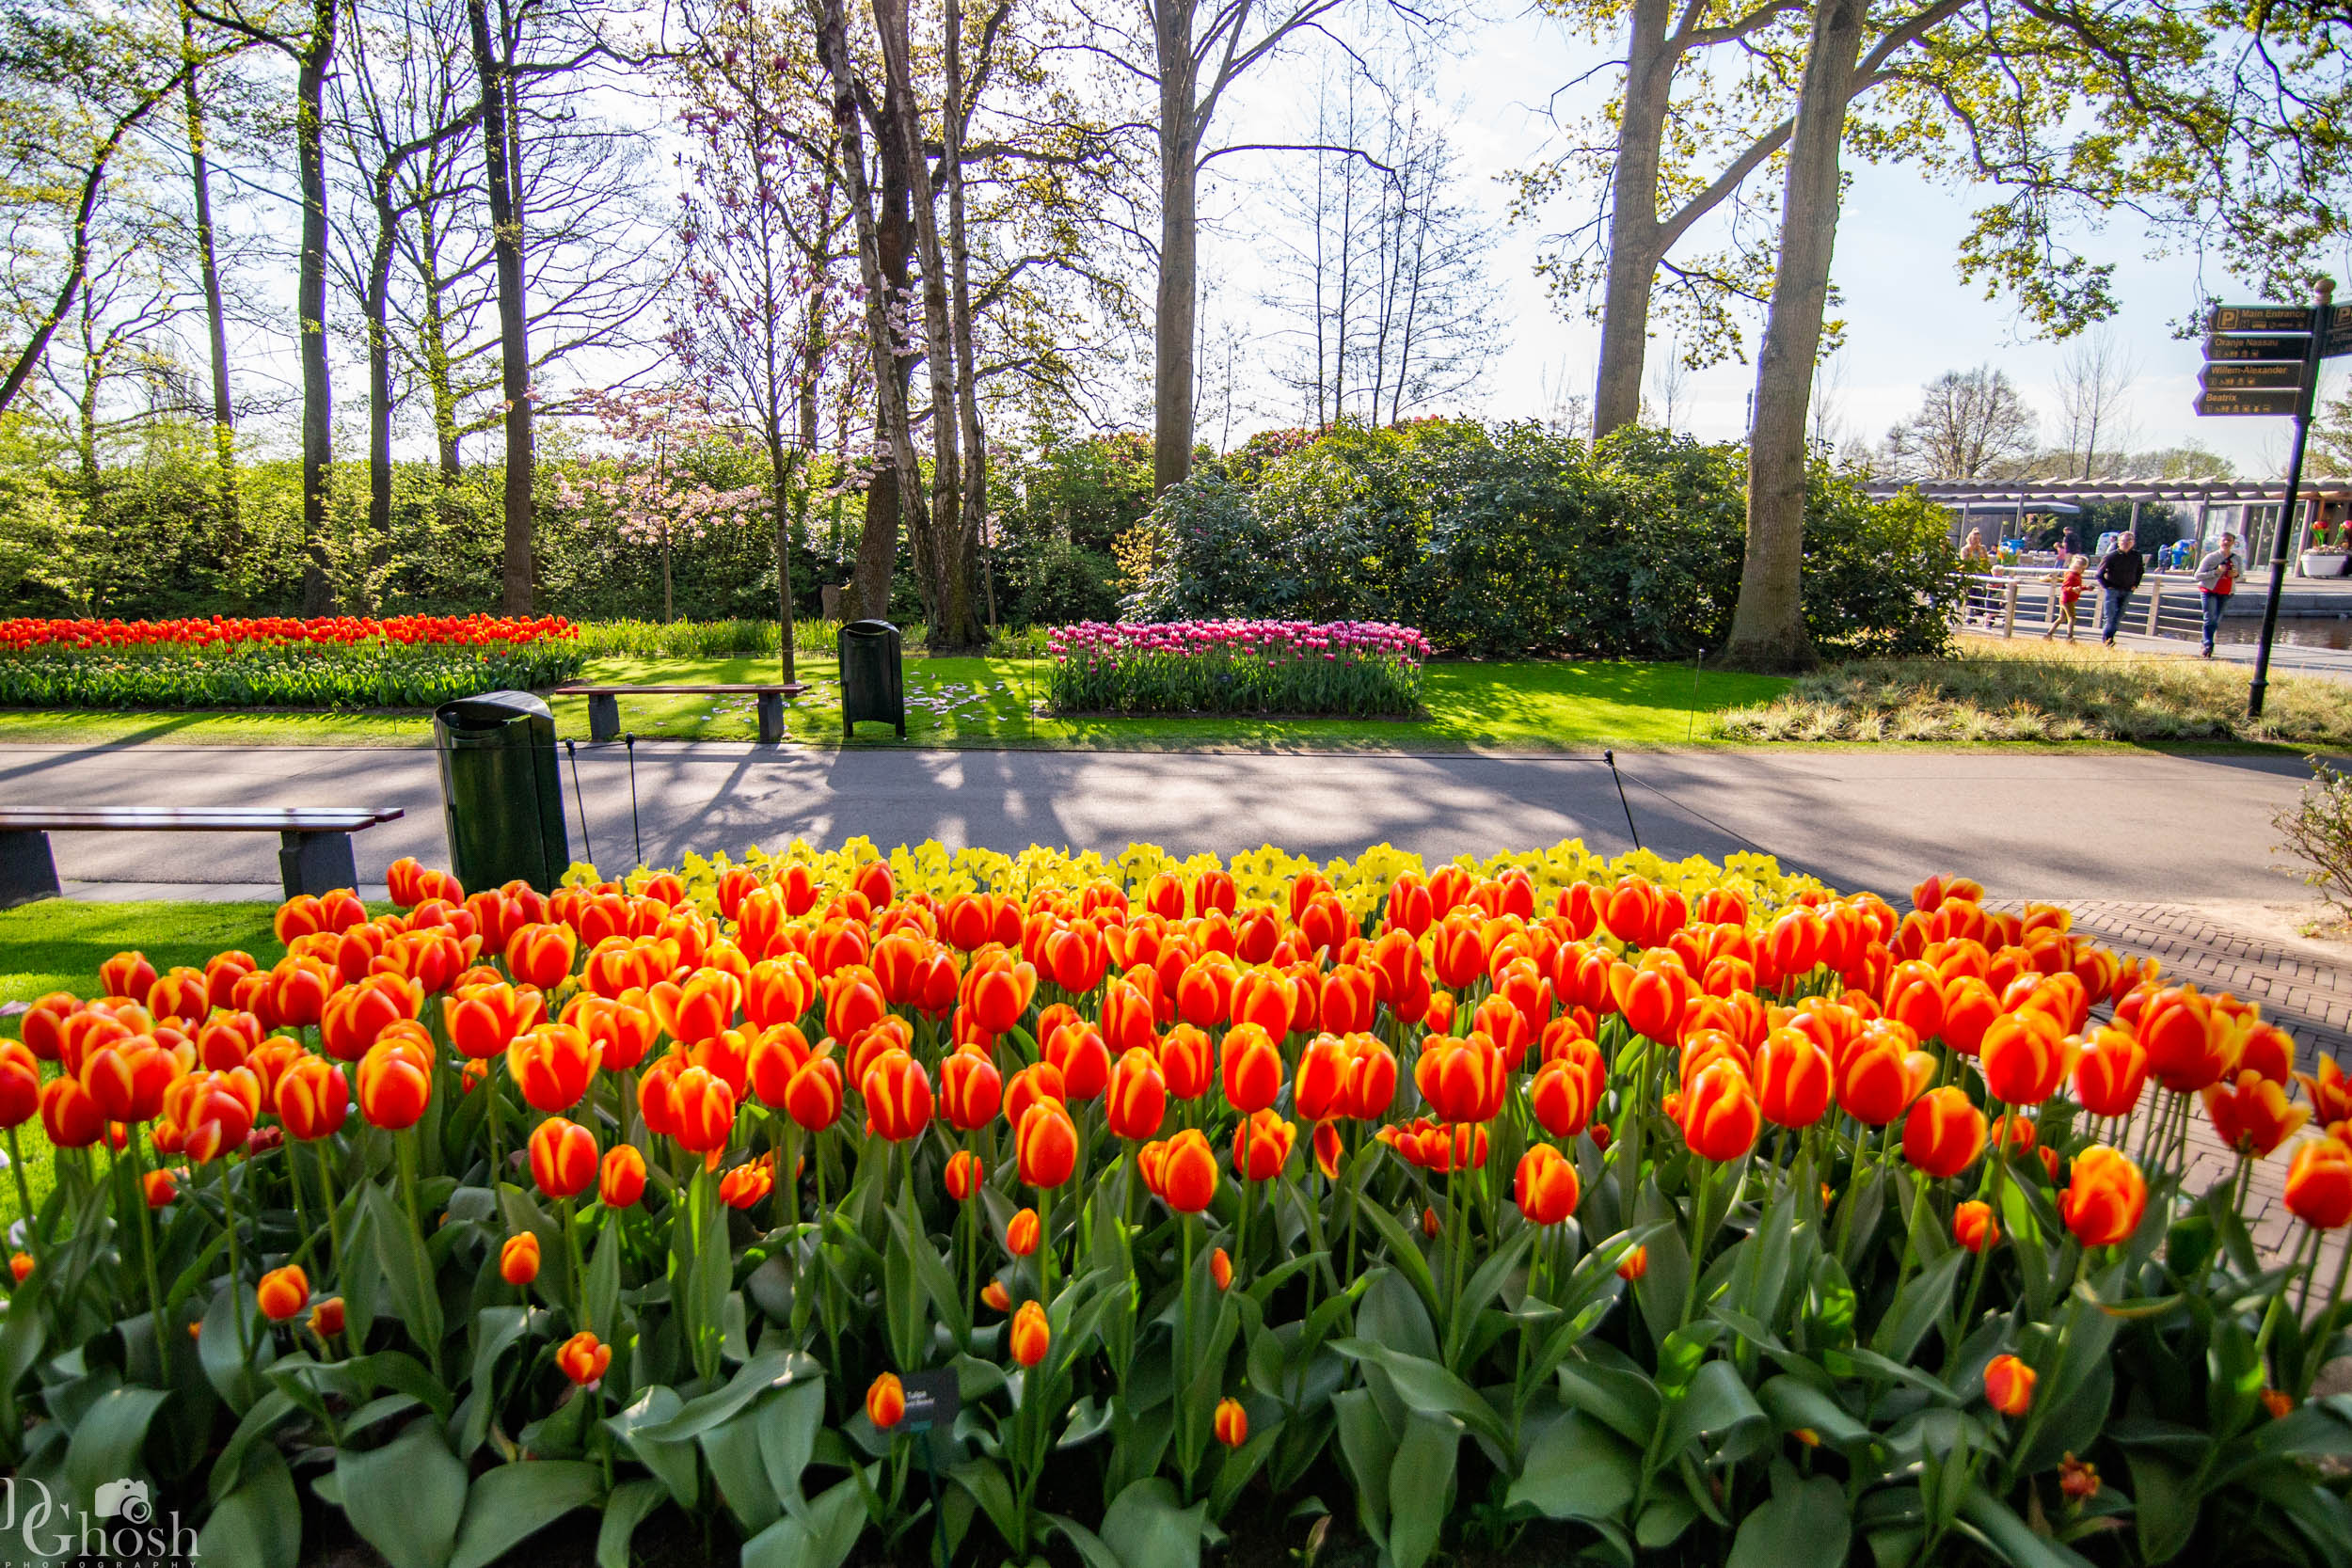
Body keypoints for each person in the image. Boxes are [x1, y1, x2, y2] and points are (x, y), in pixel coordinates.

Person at [2193, 531, 2239, 657]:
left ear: (2233, 543)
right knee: (2210, 618)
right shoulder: (2211, 557)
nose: (2226, 542)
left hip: (2226, 592)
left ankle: (2206, 642)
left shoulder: (2236, 558)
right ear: (2219, 542)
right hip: (2209, 591)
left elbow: (2240, 574)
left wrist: (2235, 575)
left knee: (2216, 620)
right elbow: (2197, 576)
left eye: (2229, 540)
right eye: (2224, 540)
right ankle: (2208, 644)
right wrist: (2216, 572)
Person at [2095, 531, 2144, 647]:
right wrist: (2108, 586)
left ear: (2133, 543)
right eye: (2123, 541)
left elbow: (2140, 571)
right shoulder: (2111, 556)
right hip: (2113, 590)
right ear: (2118, 543)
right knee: (2110, 617)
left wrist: (2135, 585)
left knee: (2119, 616)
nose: (2126, 543)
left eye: (2129, 541)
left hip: (2127, 590)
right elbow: (2099, 574)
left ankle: (2110, 638)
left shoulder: (2136, 556)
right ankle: (2108, 640)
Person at [2042, 555, 2087, 641]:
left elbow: (2078, 586)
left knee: (2062, 618)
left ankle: (2049, 634)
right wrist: (2073, 589)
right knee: (2072, 618)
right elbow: (2065, 588)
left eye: (2083, 569)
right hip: (2067, 599)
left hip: (2068, 599)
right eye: (2081, 568)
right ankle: (2069, 637)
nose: (2082, 571)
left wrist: (2086, 588)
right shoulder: (2071, 575)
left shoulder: (2077, 575)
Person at [1959, 528, 1993, 624]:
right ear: (1970, 539)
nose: (1976, 541)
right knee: (1969, 596)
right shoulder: (1965, 549)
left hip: (1981, 575)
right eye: (1974, 539)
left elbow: (1986, 561)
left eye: (1978, 539)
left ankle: (1987, 617)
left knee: (1981, 596)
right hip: (1970, 575)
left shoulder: (1982, 548)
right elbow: (1964, 562)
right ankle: (1970, 615)